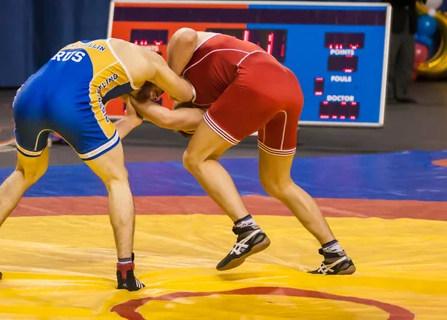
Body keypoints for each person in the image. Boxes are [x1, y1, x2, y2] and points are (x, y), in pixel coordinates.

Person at [0, 38, 195, 291]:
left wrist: (130, 121)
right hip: (72, 102)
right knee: (117, 179)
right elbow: (186, 93)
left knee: (25, 172)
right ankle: (126, 271)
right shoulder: (153, 62)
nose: (154, 98)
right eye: (156, 94)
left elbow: (99, 139)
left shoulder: (91, 45)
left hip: (28, 95)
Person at [130, 28, 356, 275]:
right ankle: (335, 254)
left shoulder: (180, 67)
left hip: (255, 80)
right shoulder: (212, 104)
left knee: (196, 157)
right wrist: (141, 98)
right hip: (289, 88)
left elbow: (185, 35)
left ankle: (247, 229)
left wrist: (165, 83)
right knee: (278, 183)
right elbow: (169, 119)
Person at [372, 0, 425, 104]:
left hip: (409, 17)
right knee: (390, 57)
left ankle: (401, 92)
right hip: (393, 16)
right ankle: (386, 94)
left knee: (406, 57)